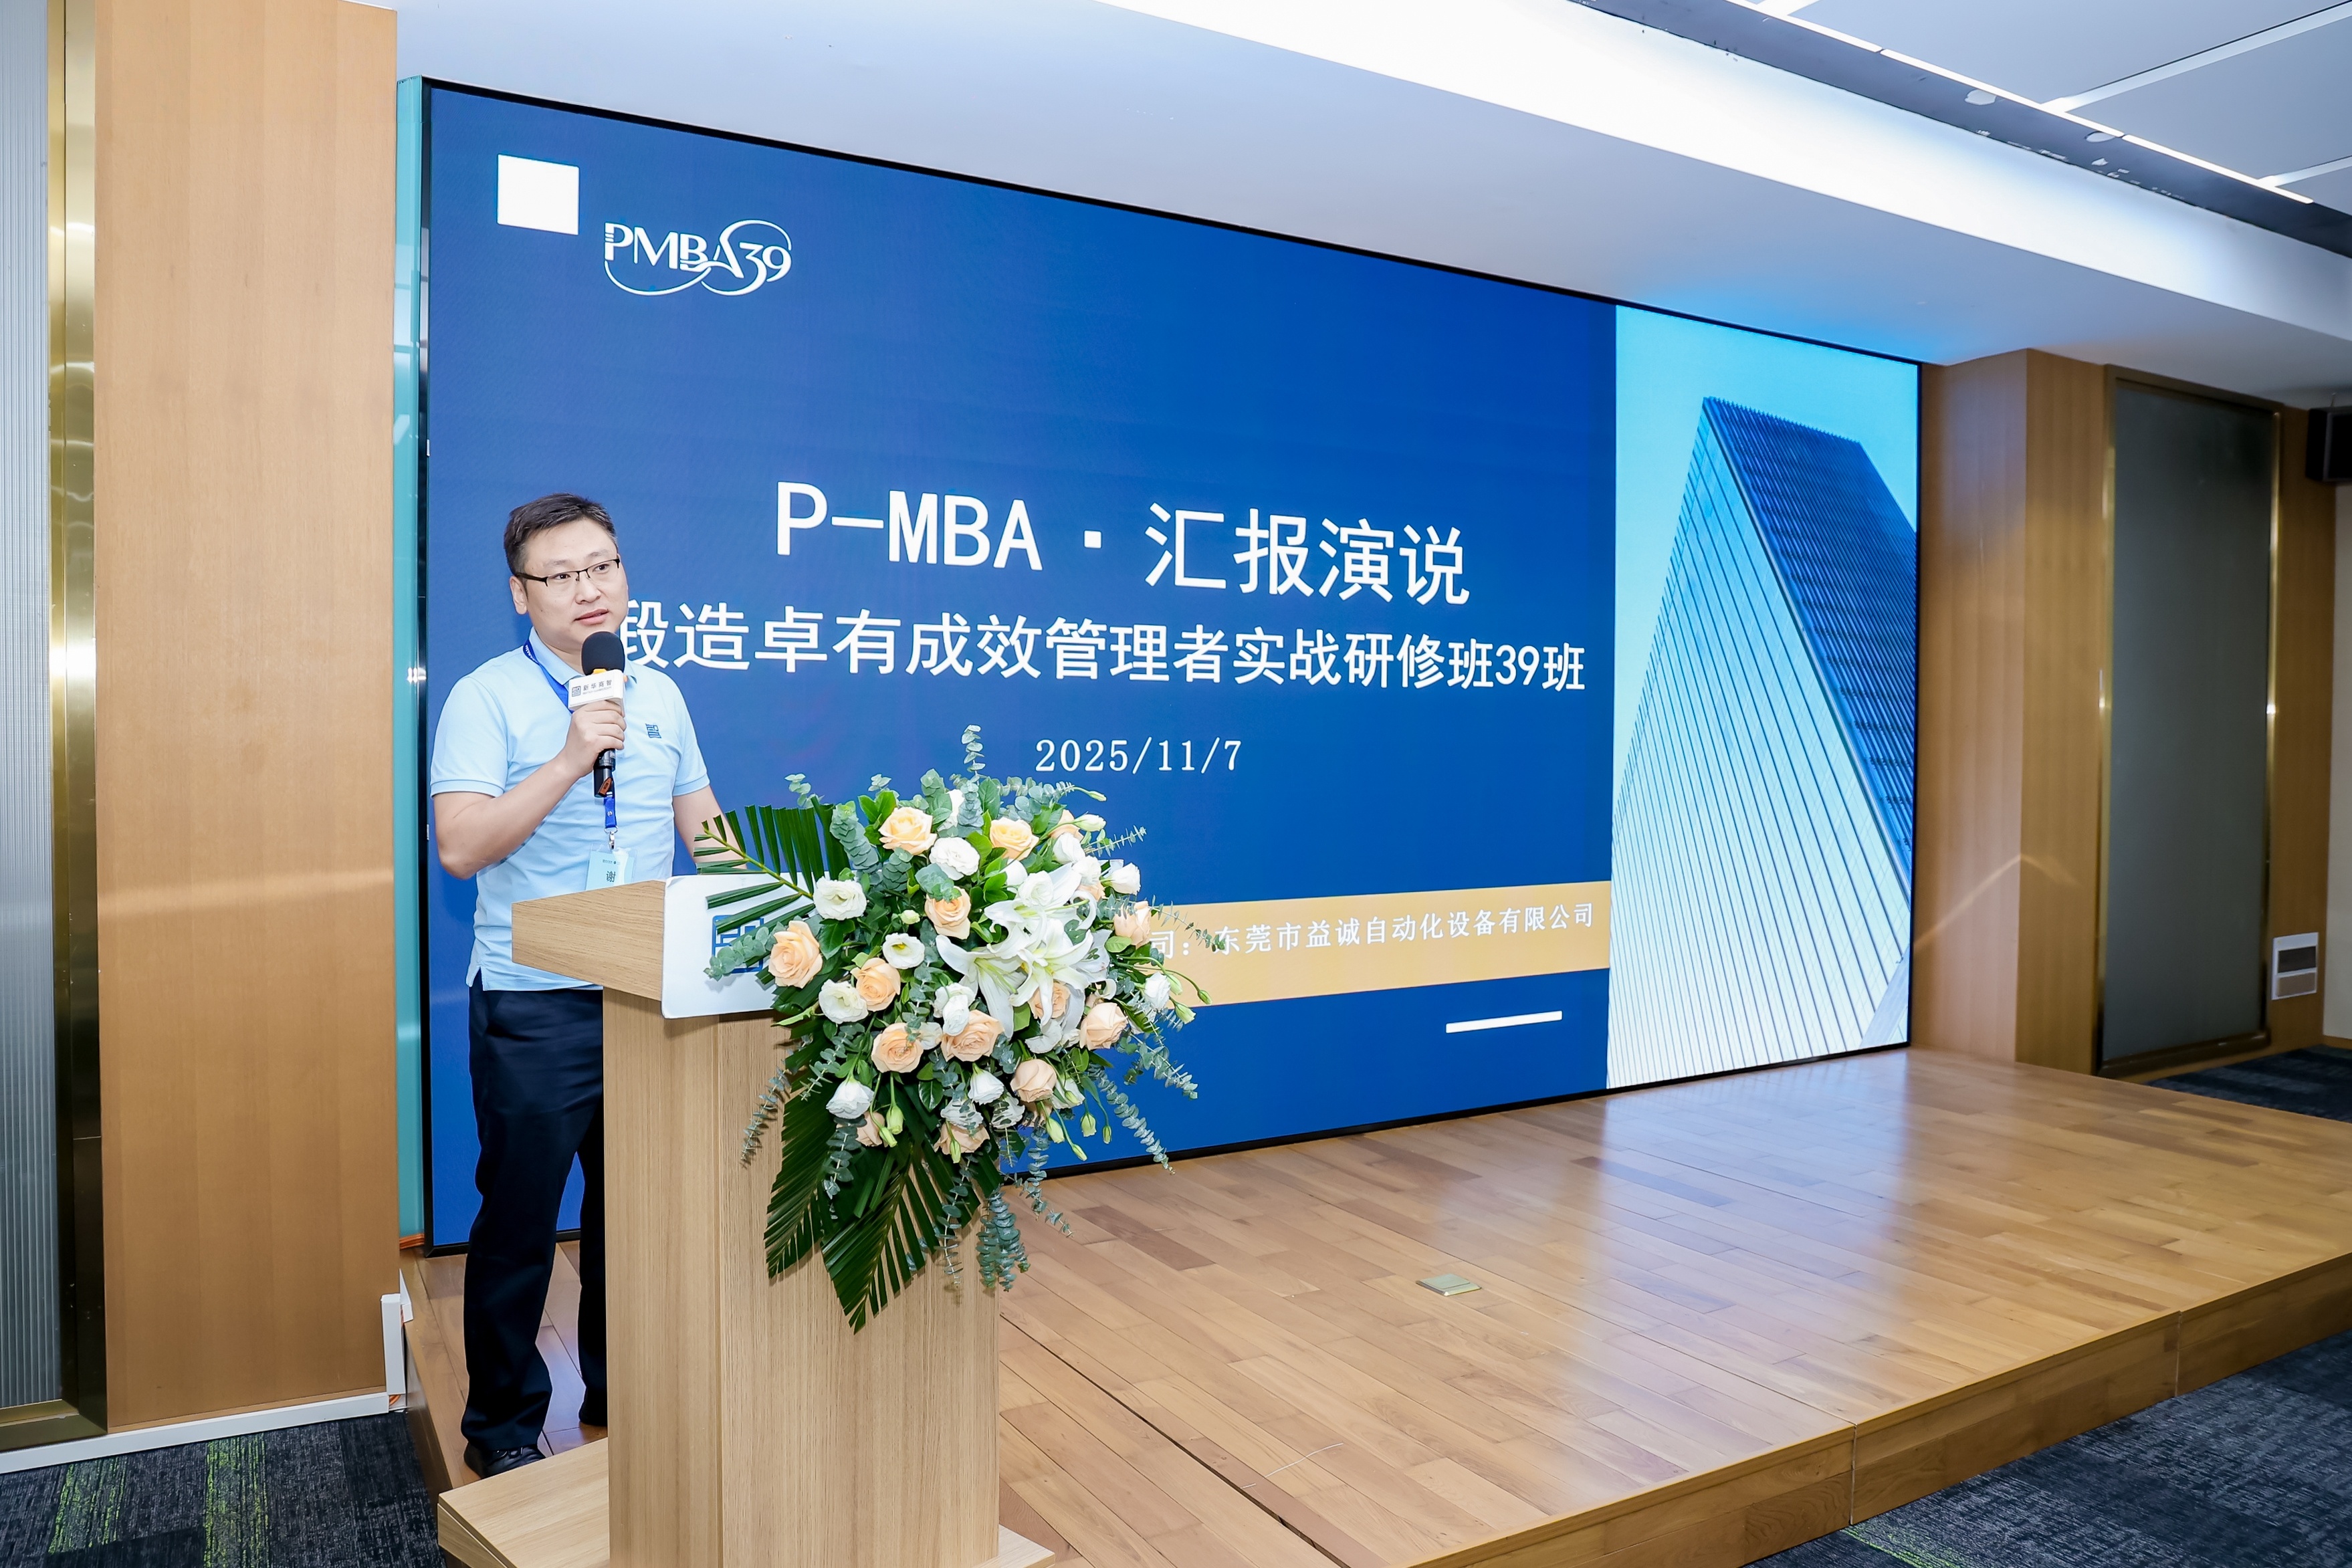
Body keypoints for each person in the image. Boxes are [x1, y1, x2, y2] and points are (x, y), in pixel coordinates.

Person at [428, 493, 721, 1479]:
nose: (589, 589)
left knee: (632, 1218)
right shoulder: (485, 697)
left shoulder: (663, 695)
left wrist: (772, 909)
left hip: (648, 996)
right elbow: (461, 847)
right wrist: (569, 756)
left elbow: (703, 828)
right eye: (561, 575)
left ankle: (618, 1391)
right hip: (534, 1002)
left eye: (603, 566)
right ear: (522, 594)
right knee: (518, 1224)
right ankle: (503, 1426)